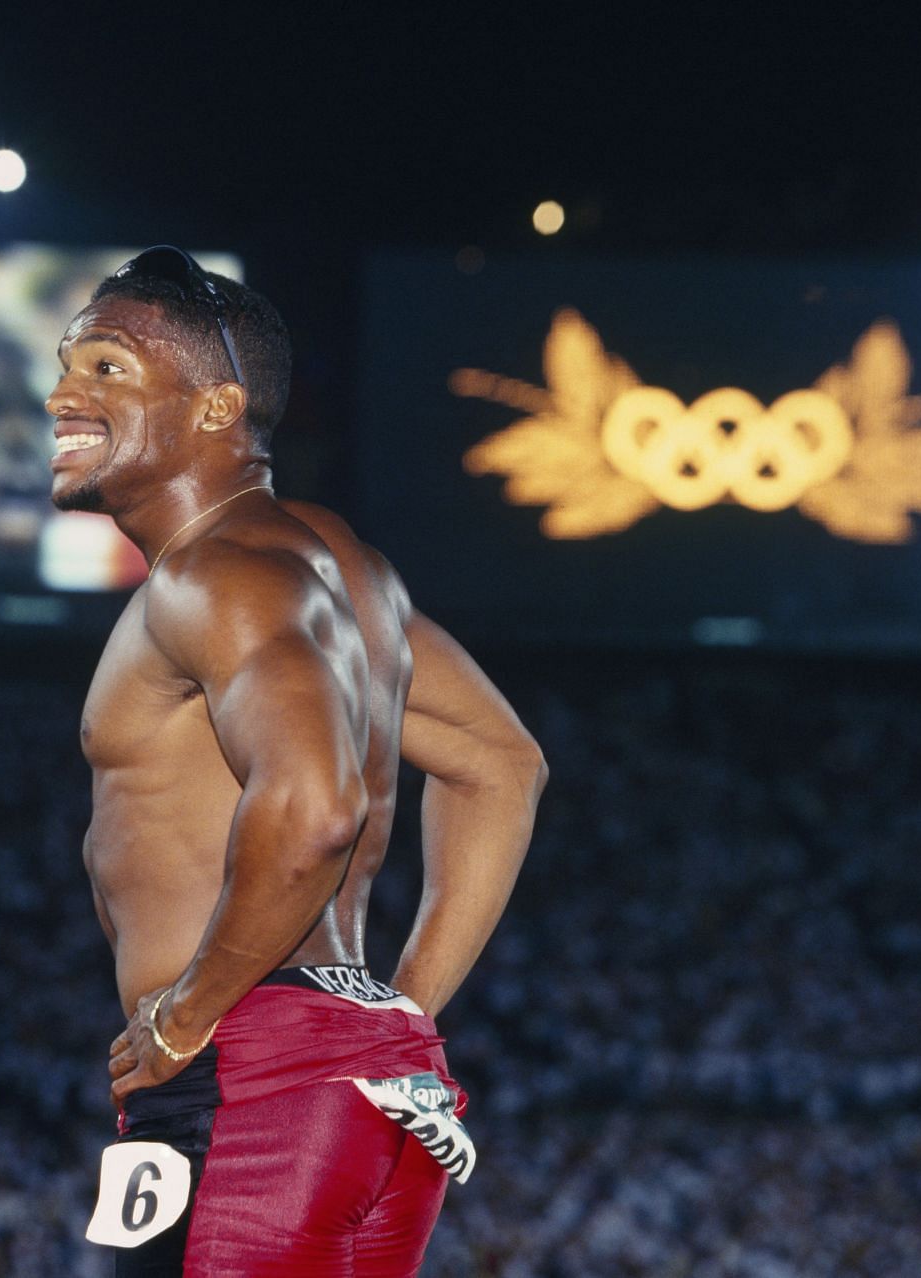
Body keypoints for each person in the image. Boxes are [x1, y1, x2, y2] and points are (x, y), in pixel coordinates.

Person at [46, 247, 547, 1276]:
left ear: (219, 409)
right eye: (66, 364)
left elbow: (316, 810)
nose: (61, 395)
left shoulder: (214, 575)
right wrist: (402, 1014)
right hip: (368, 1087)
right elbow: (500, 762)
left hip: (248, 1083)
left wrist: (185, 1020)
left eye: (106, 369)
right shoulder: (339, 565)